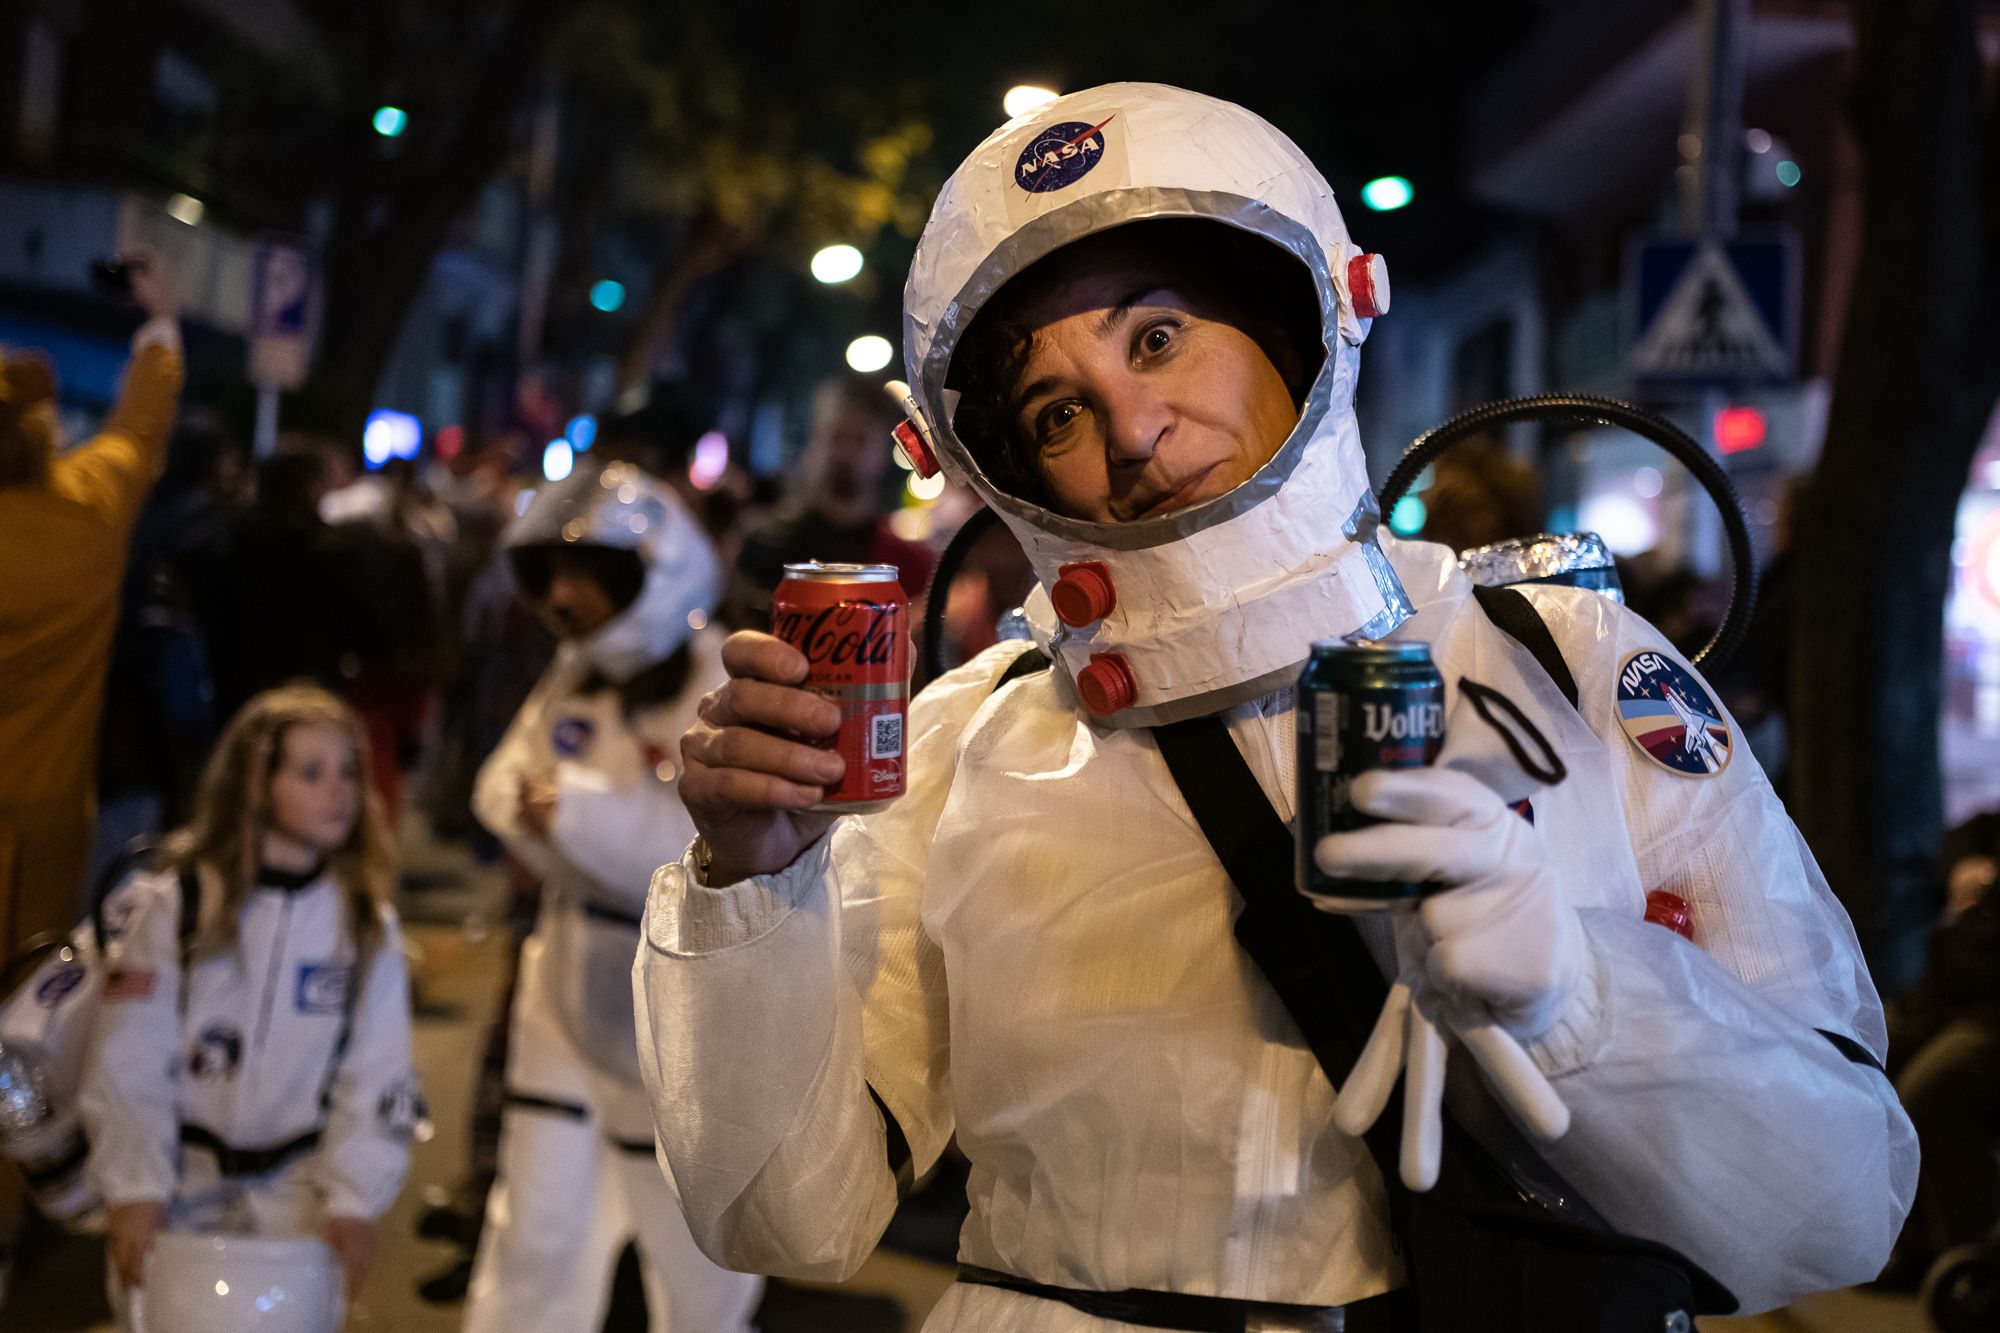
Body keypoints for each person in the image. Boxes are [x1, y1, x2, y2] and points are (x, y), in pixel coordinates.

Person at [637, 84, 1916, 1330]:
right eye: (1058, 409)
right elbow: (782, 1222)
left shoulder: (1556, 658)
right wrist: (747, 890)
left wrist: (1575, 996)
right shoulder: (976, 737)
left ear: (1308, 314)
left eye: (1156, 335)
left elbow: (1841, 1207)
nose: (1133, 428)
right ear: (995, 466)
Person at [460, 460, 762, 1333]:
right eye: (551, 575)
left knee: (695, 1262)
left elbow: (719, 855)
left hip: (682, 1007)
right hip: (563, 988)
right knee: (537, 1233)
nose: (562, 598)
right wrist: (585, 834)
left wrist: (577, 822)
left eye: (590, 575)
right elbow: (499, 792)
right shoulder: (574, 675)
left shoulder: (722, 677)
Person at [79, 684, 417, 1313]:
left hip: (297, 1201)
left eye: (348, 771)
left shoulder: (365, 923)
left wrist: (354, 1200)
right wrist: (134, 1187)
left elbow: (378, 1076)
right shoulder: (175, 904)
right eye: (310, 773)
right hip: (179, 1189)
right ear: (256, 782)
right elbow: (128, 1059)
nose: (338, 791)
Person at [0, 251, 182, 1274]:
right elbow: (141, 425)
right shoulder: (81, 512)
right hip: (43, 824)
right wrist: (155, 323)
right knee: (18, 1025)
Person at [722, 374, 936, 628]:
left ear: (882, 453)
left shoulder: (909, 565)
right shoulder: (762, 540)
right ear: (815, 441)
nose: (845, 453)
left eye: (860, 440)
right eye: (836, 436)